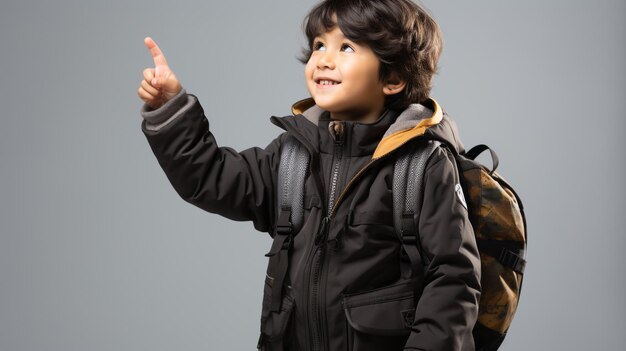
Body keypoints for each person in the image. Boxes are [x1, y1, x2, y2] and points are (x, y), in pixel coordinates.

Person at [137, 0, 481, 350]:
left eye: (346, 47)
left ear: (393, 77)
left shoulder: (422, 165)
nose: (323, 59)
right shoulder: (293, 154)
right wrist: (171, 108)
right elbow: (212, 178)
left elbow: (453, 279)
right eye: (319, 44)